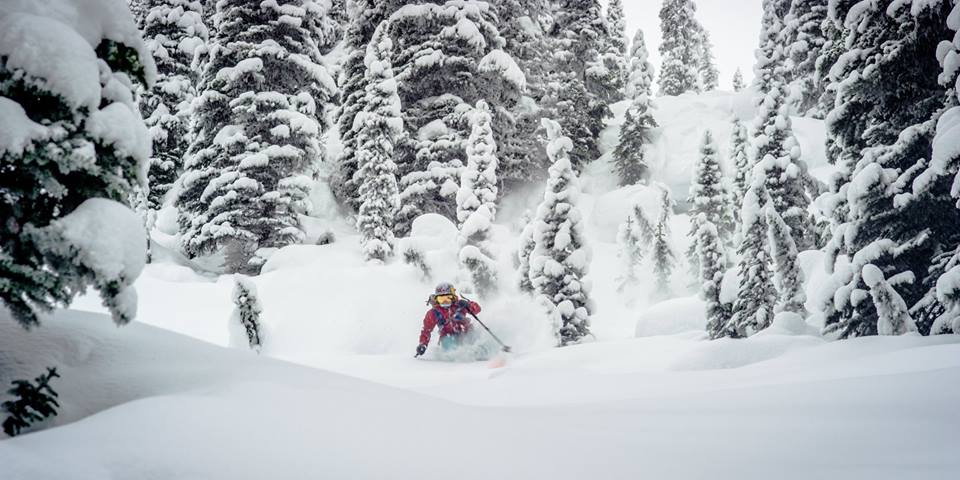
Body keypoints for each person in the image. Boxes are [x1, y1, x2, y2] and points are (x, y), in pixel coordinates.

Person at [415, 282, 481, 357]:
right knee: (450, 347)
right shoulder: (434, 313)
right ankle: (458, 358)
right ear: (436, 299)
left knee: (475, 341)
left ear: (453, 297)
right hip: (448, 337)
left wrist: (469, 304)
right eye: (441, 299)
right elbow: (426, 330)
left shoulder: (459, 305)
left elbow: (477, 309)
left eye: (447, 298)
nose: (445, 302)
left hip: (467, 332)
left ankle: (481, 353)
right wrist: (423, 344)